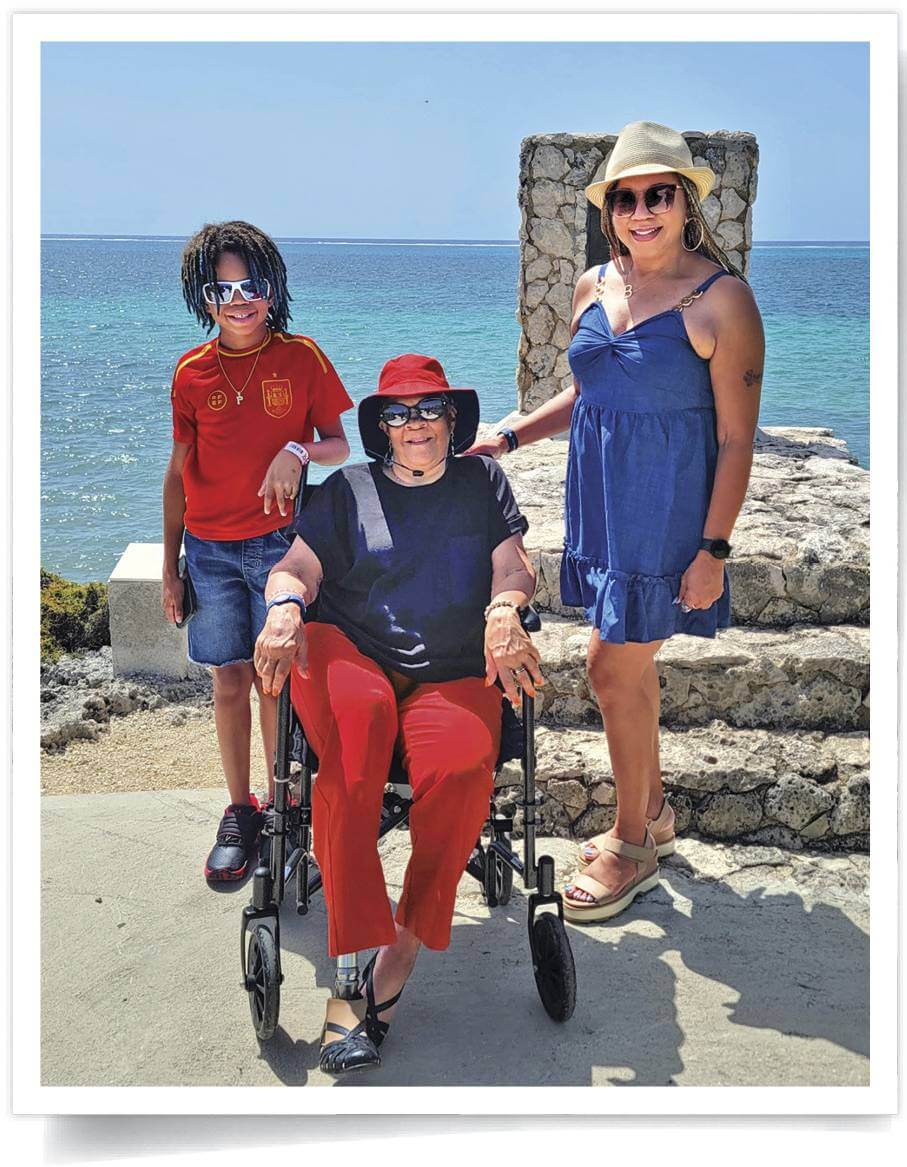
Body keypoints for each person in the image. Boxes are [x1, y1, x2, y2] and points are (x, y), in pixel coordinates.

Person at [468, 121, 765, 923]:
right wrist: (511, 435)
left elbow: (736, 439)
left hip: (668, 515)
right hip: (602, 506)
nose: (641, 212)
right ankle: (655, 812)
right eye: (626, 199)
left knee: (608, 668)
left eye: (658, 195)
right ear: (609, 212)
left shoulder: (722, 300)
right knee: (630, 670)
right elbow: (590, 393)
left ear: (686, 202)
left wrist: (713, 549)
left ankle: (632, 846)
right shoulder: (594, 284)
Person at [252, 353, 542, 1073]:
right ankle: (352, 963)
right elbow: (297, 567)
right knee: (354, 745)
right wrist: (284, 606)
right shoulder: (348, 488)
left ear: (452, 419)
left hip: (452, 669)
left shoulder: (481, 482)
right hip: (353, 651)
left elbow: (513, 566)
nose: (416, 423)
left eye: (429, 408)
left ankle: (399, 951)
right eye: (399, 412)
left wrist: (505, 608)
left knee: (464, 767)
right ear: (380, 425)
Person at [161, 221, 352, 883]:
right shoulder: (190, 372)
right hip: (208, 551)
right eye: (223, 289)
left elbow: (339, 444)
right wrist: (170, 566)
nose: (239, 300)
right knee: (229, 679)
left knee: (276, 678)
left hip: (279, 548)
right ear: (204, 297)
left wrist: (297, 449)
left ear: (273, 289)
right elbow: (177, 472)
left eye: (252, 286)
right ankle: (240, 809)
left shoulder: (302, 357)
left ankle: (281, 805)